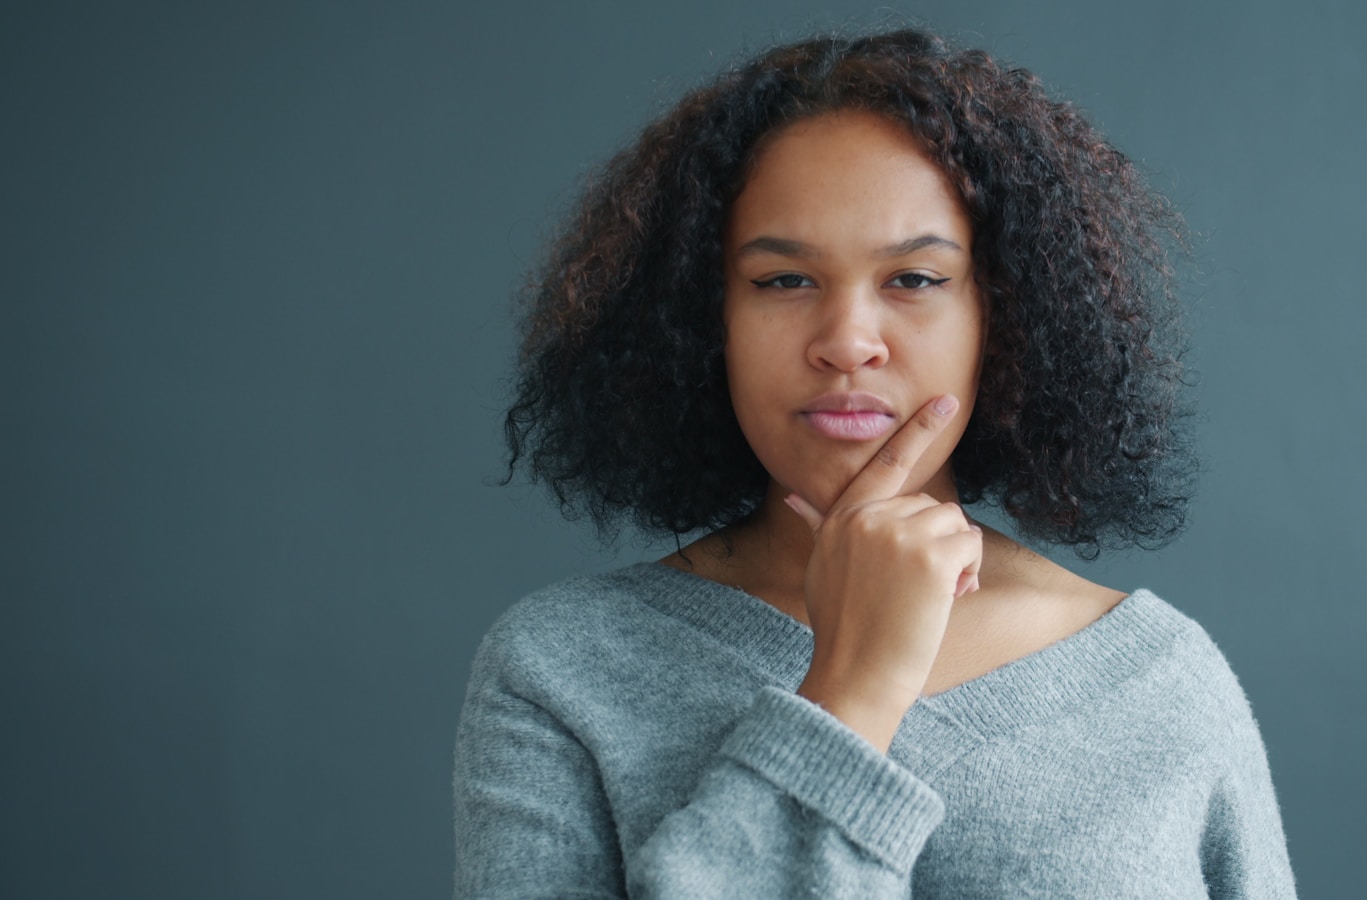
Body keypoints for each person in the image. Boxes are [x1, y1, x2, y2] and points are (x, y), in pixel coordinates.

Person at [455, 28, 1296, 898]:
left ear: (1002, 318)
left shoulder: (1159, 684)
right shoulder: (564, 670)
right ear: (706, 326)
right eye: (783, 281)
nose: (848, 343)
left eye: (915, 280)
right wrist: (852, 692)